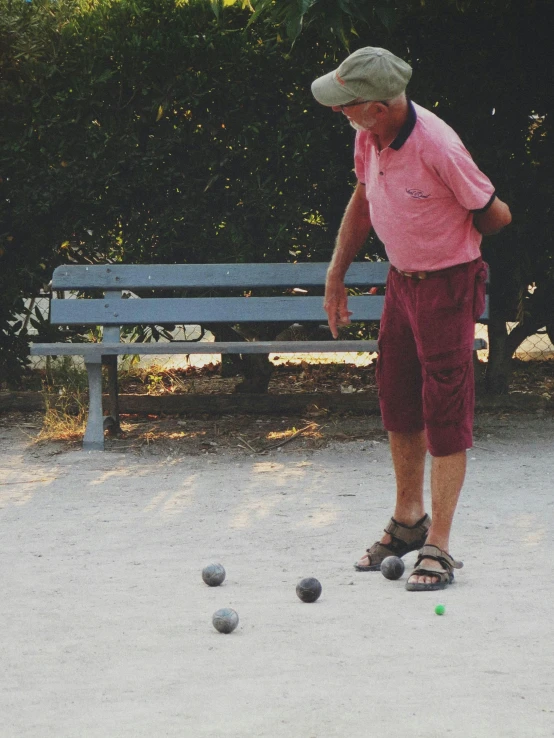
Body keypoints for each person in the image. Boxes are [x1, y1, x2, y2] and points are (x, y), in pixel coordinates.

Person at [311, 47, 512, 591]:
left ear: (377, 106)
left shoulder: (439, 146)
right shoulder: (367, 134)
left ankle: (439, 545)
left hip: (448, 286)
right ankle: (407, 521)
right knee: (398, 397)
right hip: (401, 282)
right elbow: (364, 194)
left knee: (445, 410)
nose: (338, 111)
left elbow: (496, 214)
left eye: (346, 103)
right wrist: (336, 273)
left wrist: (453, 226)